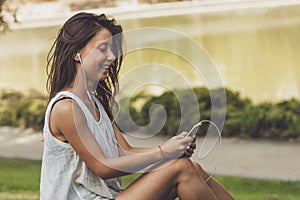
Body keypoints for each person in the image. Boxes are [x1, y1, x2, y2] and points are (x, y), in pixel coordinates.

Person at [40, 12, 234, 200]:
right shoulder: (66, 108)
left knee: (192, 168)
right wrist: (164, 152)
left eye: (111, 49)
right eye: (102, 48)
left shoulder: (93, 102)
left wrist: (173, 148)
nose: (111, 56)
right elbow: (103, 167)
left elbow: (125, 152)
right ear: (76, 53)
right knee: (180, 168)